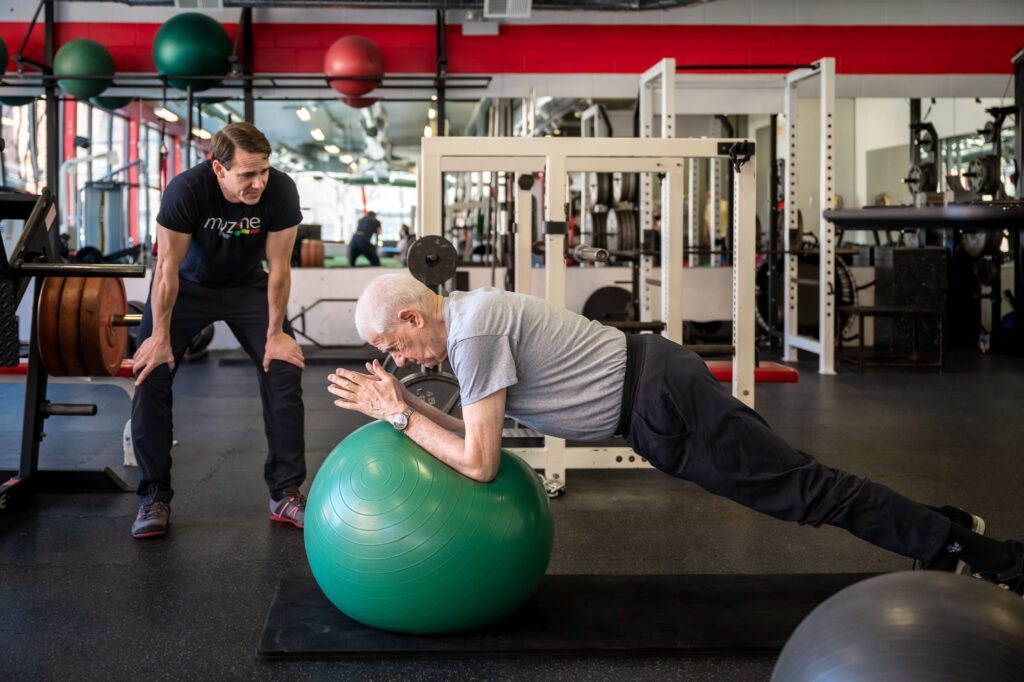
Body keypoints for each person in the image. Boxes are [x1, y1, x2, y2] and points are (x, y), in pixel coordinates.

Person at [327, 273, 1024, 594]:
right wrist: (407, 413)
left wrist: (397, 412)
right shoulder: (473, 325)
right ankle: (949, 528)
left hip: (662, 400)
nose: (399, 362)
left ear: (415, 319)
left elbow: (477, 466)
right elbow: (482, 437)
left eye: (394, 347)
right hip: (656, 399)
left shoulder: (474, 331)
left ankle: (978, 553)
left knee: (807, 494)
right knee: (803, 490)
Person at [130, 122, 307, 539]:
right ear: (218, 169)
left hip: (248, 286)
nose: (258, 182)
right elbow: (167, 269)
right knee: (150, 370)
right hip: (189, 287)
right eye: (247, 174)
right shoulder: (186, 190)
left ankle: (285, 491)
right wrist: (158, 337)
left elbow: (279, 267)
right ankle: (154, 496)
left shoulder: (280, 191)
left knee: (283, 367)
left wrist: (277, 331)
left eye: (263, 170)